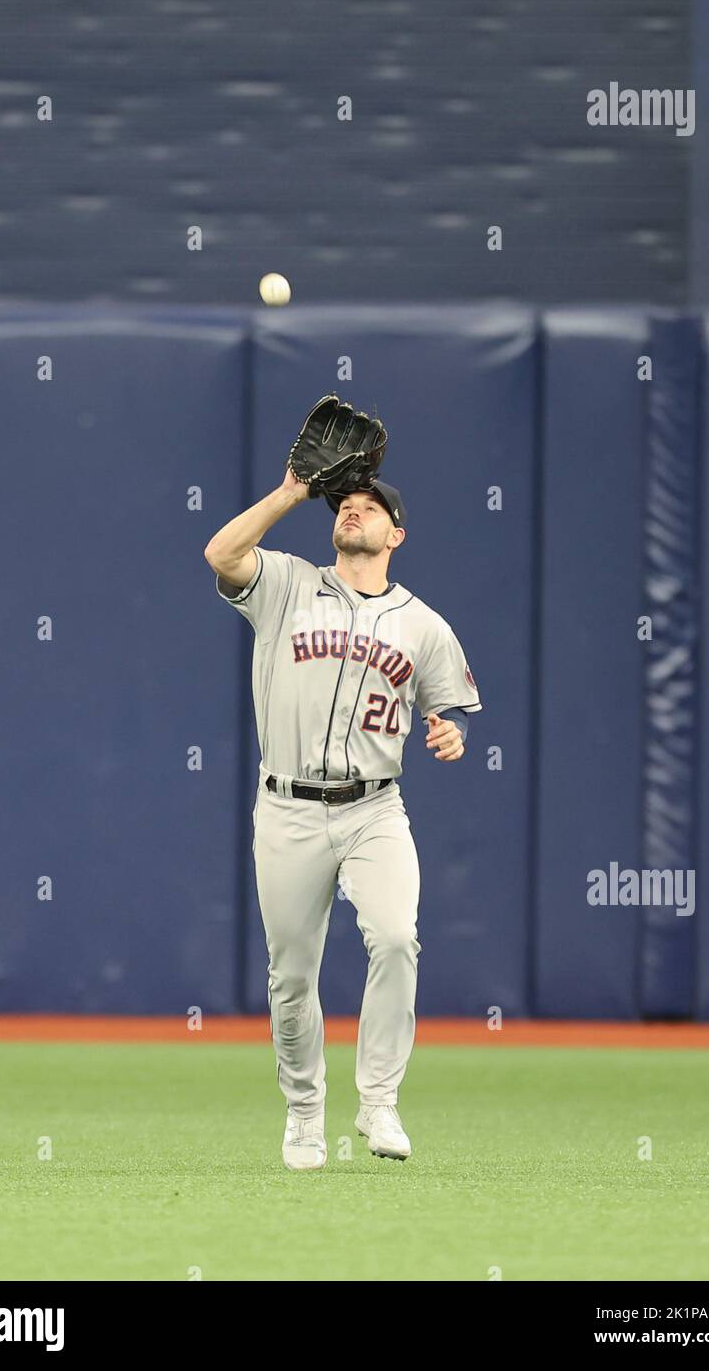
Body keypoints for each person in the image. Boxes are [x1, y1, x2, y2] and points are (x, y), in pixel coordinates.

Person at [204, 465, 481, 1169]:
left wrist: (450, 733)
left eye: (369, 507)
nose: (354, 512)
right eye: (346, 505)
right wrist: (290, 493)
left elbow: (445, 712)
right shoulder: (289, 585)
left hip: (374, 809)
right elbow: (221, 555)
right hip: (287, 808)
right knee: (291, 975)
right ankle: (304, 1113)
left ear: (397, 533)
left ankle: (379, 1101)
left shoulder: (423, 625)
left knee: (394, 938)